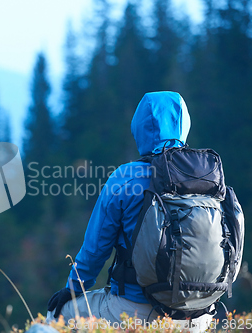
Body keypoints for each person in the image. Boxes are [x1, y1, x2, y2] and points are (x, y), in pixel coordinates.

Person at [47, 91, 214, 332]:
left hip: (135, 311)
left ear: (139, 128)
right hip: (199, 315)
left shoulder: (125, 178)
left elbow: (94, 252)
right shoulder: (208, 176)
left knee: (58, 316)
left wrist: (71, 290)